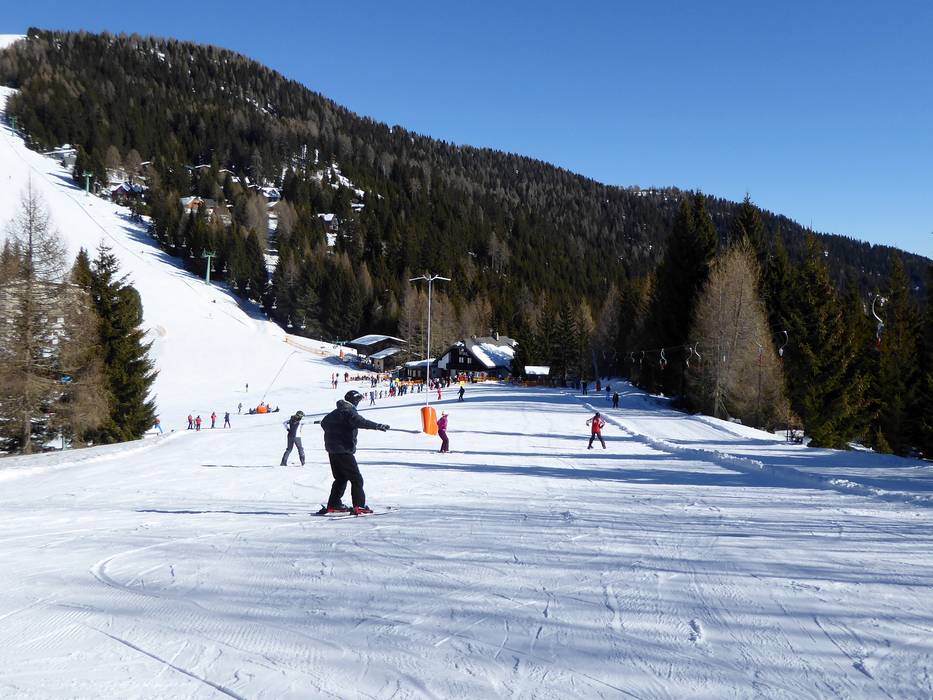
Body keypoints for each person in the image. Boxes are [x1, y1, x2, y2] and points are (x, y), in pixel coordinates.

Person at [318, 390, 389, 515]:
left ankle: (334, 504)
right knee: (356, 479)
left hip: (333, 450)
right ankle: (359, 506)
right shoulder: (348, 411)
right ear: (354, 400)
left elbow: (324, 422)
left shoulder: (336, 411)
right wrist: (377, 426)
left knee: (341, 478)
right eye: (358, 400)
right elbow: (360, 422)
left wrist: (336, 431)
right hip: (344, 449)